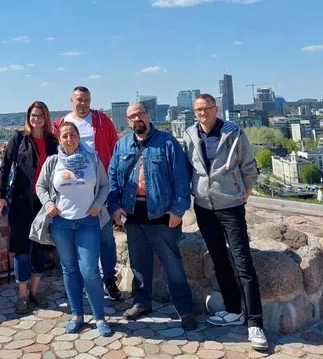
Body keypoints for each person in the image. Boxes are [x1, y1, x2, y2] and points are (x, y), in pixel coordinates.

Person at [181, 94, 268, 352]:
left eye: (207, 108)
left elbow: (249, 167)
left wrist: (243, 194)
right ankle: (233, 310)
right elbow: (188, 168)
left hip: (231, 206)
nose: (203, 113)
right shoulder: (190, 135)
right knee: (219, 259)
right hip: (204, 207)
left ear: (216, 109)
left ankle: (255, 323)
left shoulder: (233, 133)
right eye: (198, 110)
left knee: (243, 263)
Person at [107, 102, 197, 330]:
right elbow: (113, 179)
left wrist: (178, 210)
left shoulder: (167, 142)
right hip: (132, 214)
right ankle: (141, 302)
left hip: (162, 214)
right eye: (132, 116)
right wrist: (115, 207)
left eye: (140, 114)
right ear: (128, 121)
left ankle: (185, 309)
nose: (137, 118)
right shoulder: (122, 145)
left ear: (148, 116)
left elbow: (181, 179)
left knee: (173, 264)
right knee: (139, 264)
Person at [34, 122, 113, 336]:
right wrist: (48, 204)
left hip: (88, 221)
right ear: (59, 140)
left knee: (89, 269)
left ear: (79, 137)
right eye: (65, 136)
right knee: (69, 269)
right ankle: (77, 314)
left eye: (73, 135)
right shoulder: (53, 162)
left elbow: (105, 185)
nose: (69, 139)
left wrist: (97, 205)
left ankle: (99, 316)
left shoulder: (92, 159)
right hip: (62, 224)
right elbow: (40, 186)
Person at [53, 86, 121, 300]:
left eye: (87, 100)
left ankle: (109, 278)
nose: (83, 104)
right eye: (79, 100)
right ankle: (76, 283)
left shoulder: (101, 120)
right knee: (72, 240)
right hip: (71, 192)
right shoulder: (60, 124)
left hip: (99, 186)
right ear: (71, 100)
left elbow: (115, 148)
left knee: (106, 237)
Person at [0, 101, 58, 314]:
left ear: (46, 118)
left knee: (40, 249)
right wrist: (0, 196)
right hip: (21, 202)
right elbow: (5, 167)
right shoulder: (19, 138)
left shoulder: (52, 142)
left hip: (44, 203)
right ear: (28, 117)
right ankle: (22, 295)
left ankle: (35, 291)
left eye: (40, 115)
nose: (36, 119)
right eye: (33, 115)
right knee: (22, 250)